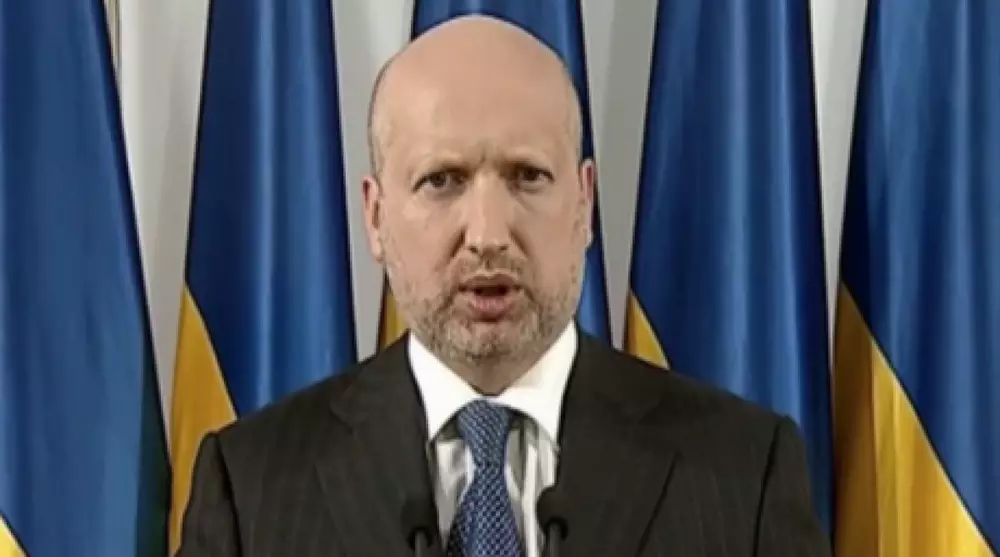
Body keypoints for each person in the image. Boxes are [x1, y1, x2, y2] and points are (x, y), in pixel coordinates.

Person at [176, 14, 831, 557]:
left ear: (584, 203)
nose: (488, 234)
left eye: (527, 176)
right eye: (442, 180)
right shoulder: (251, 489)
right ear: (374, 217)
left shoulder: (744, 474)